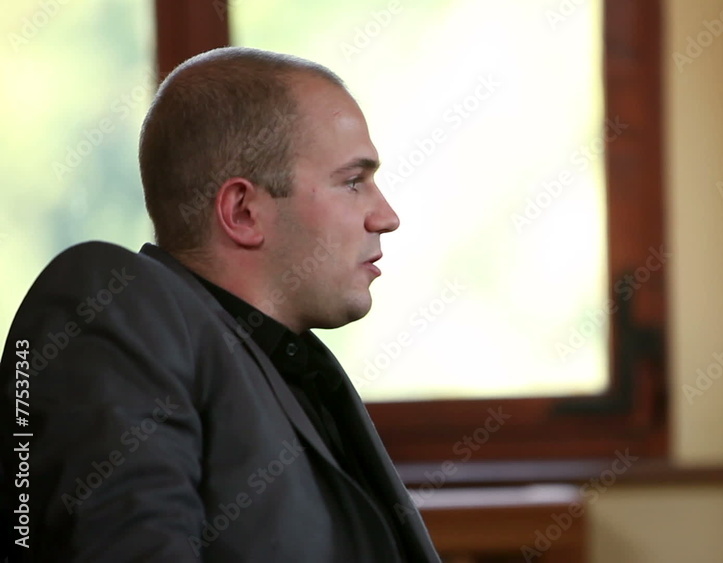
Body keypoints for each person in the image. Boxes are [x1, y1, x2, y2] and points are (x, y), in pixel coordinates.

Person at [0, 46, 440, 562]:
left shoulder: (294, 365)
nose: (386, 216)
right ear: (243, 211)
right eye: (352, 181)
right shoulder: (107, 304)